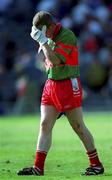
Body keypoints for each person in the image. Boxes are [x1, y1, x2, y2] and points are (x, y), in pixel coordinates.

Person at [17, 11, 104, 176]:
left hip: (68, 84)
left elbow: (57, 60)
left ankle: (96, 164)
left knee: (78, 126)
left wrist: (43, 42)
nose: (43, 35)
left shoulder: (67, 36)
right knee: (44, 125)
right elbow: (48, 61)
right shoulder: (48, 35)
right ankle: (38, 167)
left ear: (50, 26)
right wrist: (43, 47)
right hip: (52, 84)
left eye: (44, 32)